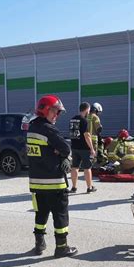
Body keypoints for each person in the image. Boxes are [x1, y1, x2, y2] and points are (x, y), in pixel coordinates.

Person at [27, 94, 78, 258]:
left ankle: (39, 243)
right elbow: (65, 148)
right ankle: (61, 247)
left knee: (40, 214)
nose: (57, 115)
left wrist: (56, 151)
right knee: (60, 215)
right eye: (55, 111)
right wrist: (60, 154)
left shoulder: (32, 128)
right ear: (45, 110)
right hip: (55, 183)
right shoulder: (49, 129)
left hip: (36, 183)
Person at [68, 102, 97, 193]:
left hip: (74, 147)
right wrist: (92, 148)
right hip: (84, 148)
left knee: (74, 167)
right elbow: (87, 135)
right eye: (88, 110)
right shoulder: (84, 121)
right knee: (87, 168)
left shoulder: (72, 119)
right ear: (86, 110)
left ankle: (74, 187)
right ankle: (89, 187)